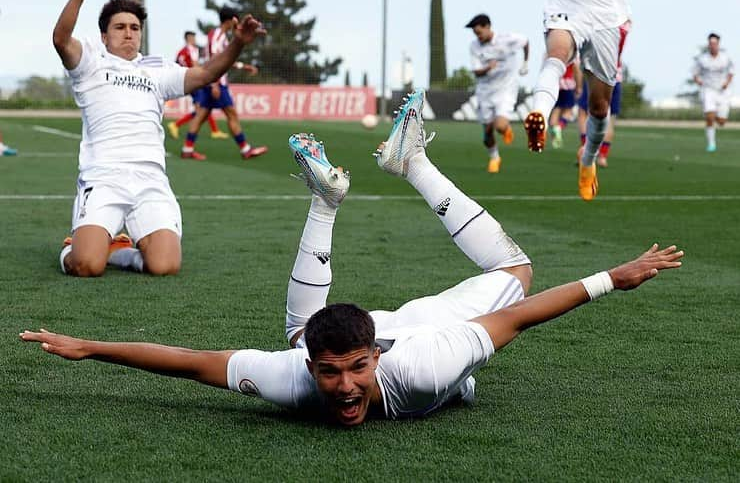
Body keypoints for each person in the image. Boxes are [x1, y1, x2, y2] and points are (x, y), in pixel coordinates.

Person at [20, 90, 683, 426]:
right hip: (393, 338)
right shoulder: (300, 372)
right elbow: (190, 364)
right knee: (493, 304)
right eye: (330, 372)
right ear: (314, 366)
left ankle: (378, 179)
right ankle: (390, 172)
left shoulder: (425, 364)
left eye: (353, 371)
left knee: (517, 277)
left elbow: (524, 316)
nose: (341, 387)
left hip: (428, 326)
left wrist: (609, 280)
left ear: (377, 360)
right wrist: (89, 346)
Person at [52, 0, 267, 277]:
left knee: (165, 266)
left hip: (150, 180)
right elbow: (60, 39)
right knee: (86, 265)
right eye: (120, 27)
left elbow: (207, 72)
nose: (128, 34)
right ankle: (77, 246)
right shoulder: (90, 64)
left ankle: (120, 252)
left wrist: (238, 43)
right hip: (103, 178)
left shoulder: (156, 69)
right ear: (104, 35)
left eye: (135, 28)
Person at [492, 0, 630, 201]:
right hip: (563, 9)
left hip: (604, 18)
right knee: (556, 55)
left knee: (599, 108)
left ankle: (588, 159)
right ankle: (539, 117)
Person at [180, 7, 268, 161]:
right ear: (232, 20)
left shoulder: (220, 36)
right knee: (231, 113)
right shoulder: (218, 36)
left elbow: (226, 59)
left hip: (211, 81)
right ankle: (245, 149)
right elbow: (215, 59)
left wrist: (244, 67)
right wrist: (214, 84)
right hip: (217, 82)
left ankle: (187, 149)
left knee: (201, 115)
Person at [466, 14, 529, 173]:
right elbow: (476, 72)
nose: (478, 36)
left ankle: (504, 129)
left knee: (499, 125)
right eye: (475, 34)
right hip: (485, 92)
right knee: (487, 134)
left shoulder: (507, 39)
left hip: (505, 89)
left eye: (479, 32)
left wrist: (525, 63)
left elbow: (526, 41)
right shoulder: (474, 46)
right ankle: (495, 157)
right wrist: (488, 68)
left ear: (488, 27)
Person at [577, 19, 631, 167]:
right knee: (609, 119)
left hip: (597, 73)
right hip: (616, 74)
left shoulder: (602, 20)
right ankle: (603, 157)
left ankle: (586, 150)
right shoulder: (625, 25)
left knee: (583, 113)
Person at [167, 31, 228, 140]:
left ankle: (215, 130)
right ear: (189, 38)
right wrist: (205, 75)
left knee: (204, 106)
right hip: (194, 80)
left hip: (183, 80)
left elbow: (176, 65)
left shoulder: (181, 51)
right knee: (202, 109)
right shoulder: (192, 49)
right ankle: (176, 125)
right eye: (193, 38)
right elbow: (195, 65)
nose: (194, 40)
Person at [693, 33, 735, 152]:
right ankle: (711, 144)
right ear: (708, 44)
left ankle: (713, 116)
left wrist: (727, 82)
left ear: (718, 44)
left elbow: (732, 71)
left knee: (721, 122)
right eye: (710, 44)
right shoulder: (702, 59)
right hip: (708, 90)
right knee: (710, 117)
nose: (713, 46)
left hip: (722, 91)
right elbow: (695, 73)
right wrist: (699, 82)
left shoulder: (725, 58)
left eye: (715, 43)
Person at [549, 60, 582, 149]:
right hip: (568, 84)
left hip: (556, 84)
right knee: (568, 112)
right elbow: (577, 71)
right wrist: (579, 87)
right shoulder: (572, 53)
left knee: (556, 111)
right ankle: (559, 128)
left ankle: (554, 138)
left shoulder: (551, 51)